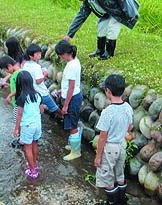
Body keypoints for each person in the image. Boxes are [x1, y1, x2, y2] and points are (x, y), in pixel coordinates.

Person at [94, 74, 133, 205]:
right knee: (119, 173)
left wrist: (98, 156)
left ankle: (112, 202)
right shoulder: (128, 107)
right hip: (122, 145)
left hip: (110, 147)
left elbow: (102, 137)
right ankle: (122, 200)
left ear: (108, 91)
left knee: (107, 177)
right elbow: (129, 127)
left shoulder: (107, 112)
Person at [64, 0, 140, 60]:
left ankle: (109, 52)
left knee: (112, 27)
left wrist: (131, 13)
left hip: (120, 12)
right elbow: (80, 16)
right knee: (101, 26)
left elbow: (123, 1)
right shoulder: (87, 2)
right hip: (107, 12)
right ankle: (100, 50)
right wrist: (69, 34)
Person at [55, 40, 83, 161]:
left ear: (64, 54)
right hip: (73, 95)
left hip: (72, 98)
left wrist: (65, 105)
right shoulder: (75, 61)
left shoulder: (71, 66)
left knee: (72, 124)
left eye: (60, 55)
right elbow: (71, 84)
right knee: (73, 121)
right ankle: (73, 145)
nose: (60, 57)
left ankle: (76, 151)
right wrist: (63, 90)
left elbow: (71, 87)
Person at [13, 70, 44, 178]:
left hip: (27, 125)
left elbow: (19, 115)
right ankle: (34, 165)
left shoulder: (21, 98)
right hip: (37, 124)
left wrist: (17, 129)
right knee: (34, 143)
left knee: (27, 147)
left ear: (19, 84)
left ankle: (32, 171)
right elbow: (42, 110)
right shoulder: (38, 95)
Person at [23, 44, 63, 118]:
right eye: (37, 54)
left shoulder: (26, 65)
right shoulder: (36, 67)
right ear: (31, 56)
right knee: (53, 106)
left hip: (32, 92)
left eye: (39, 53)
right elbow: (38, 81)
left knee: (37, 108)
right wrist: (45, 75)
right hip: (42, 93)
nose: (39, 55)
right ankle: (63, 116)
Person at [0, 55, 24, 147]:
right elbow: (17, 87)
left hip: (19, 102)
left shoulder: (18, 74)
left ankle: (21, 138)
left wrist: (9, 95)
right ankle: (22, 136)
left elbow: (20, 88)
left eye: (6, 70)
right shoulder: (16, 74)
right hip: (18, 102)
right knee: (20, 119)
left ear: (9, 66)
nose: (6, 72)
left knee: (19, 119)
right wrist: (9, 86)